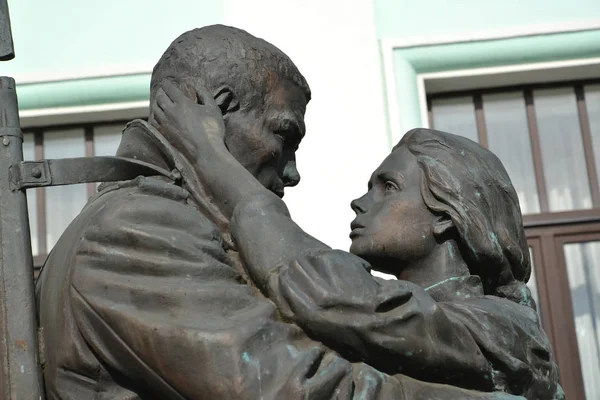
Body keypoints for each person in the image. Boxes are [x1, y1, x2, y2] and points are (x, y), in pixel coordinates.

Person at [36, 24, 510, 400]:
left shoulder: (178, 219)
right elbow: (293, 385)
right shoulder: (138, 226)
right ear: (216, 111)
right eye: (284, 137)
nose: (293, 173)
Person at [151, 79, 564, 399]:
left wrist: (216, 164)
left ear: (447, 216)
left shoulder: (506, 332)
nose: (359, 202)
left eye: (388, 187)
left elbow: (334, 296)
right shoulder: (377, 323)